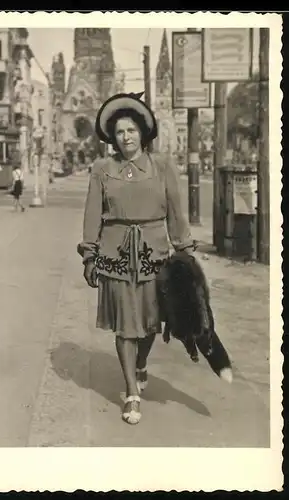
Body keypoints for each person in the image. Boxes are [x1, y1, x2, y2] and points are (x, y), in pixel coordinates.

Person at [77, 92, 196, 425]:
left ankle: (141, 363)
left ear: (143, 132)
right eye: (119, 132)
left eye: (131, 130)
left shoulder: (162, 167)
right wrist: (90, 254)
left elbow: (175, 212)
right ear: (112, 138)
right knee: (126, 326)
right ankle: (132, 391)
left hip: (154, 253)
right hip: (115, 255)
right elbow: (91, 215)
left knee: (149, 325)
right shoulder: (102, 169)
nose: (126, 137)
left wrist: (183, 250)